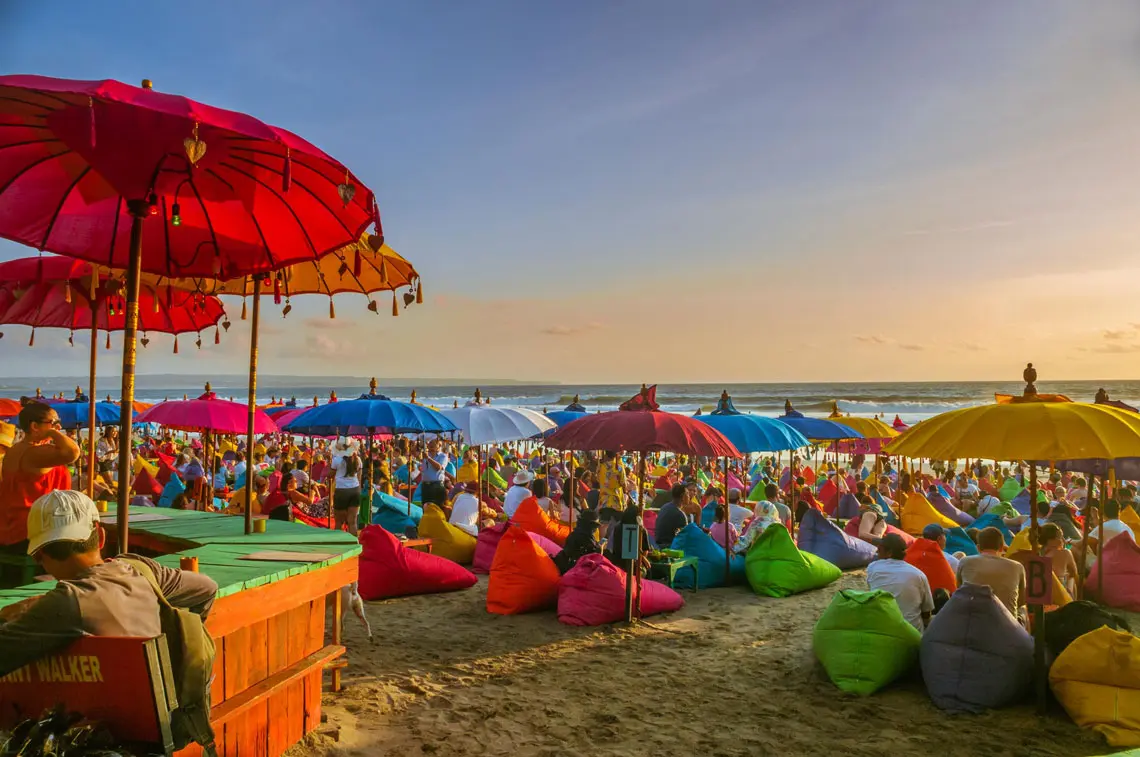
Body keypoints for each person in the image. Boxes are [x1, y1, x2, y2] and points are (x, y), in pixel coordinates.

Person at [0, 490, 218, 676]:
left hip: (107, 723)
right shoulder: (141, 570)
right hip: (168, 718)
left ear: (39, 556)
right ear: (101, 537)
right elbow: (207, 588)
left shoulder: (67, 603)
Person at [0, 402, 80, 550]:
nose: (59, 427)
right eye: (54, 423)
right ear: (34, 426)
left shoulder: (17, 450)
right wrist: (52, 433)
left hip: (15, 527)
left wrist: (50, 429)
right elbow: (72, 452)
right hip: (30, 532)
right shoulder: (32, 453)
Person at [866, 533, 934, 632]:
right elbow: (926, 612)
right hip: (911, 634)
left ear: (889, 553)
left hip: (881, 630)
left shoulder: (872, 568)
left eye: (880, 549)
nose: (877, 551)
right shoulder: (918, 575)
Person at [956, 526, 1027, 622]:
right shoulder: (1017, 566)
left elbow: (960, 590)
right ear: (1002, 547)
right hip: (1007, 627)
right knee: (1023, 609)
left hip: (972, 624)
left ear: (978, 548)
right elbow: (1021, 601)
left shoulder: (964, 562)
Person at [554, 509, 603, 574]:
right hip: (575, 571)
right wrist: (601, 549)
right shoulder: (587, 540)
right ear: (591, 526)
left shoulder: (574, 534)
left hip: (565, 567)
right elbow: (594, 560)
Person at [331, 442, 362, 535]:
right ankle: (354, 543)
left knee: (339, 522)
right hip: (355, 490)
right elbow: (359, 477)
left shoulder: (337, 460)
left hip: (341, 490)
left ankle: (338, 544)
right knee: (352, 521)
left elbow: (330, 475)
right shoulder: (358, 459)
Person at [1039, 523, 1079, 596]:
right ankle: (1072, 601)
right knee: (1071, 579)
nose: (1063, 540)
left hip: (1040, 592)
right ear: (1052, 539)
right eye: (1060, 537)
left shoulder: (1037, 552)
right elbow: (1074, 572)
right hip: (1057, 593)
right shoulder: (1065, 553)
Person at [654, 483, 690, 547]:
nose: (689, 496)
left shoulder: (664, 507)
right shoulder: (680, 514)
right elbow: (685, 537)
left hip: (657, 544)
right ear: (682, 496)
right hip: (670, 546)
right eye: (687, 494)